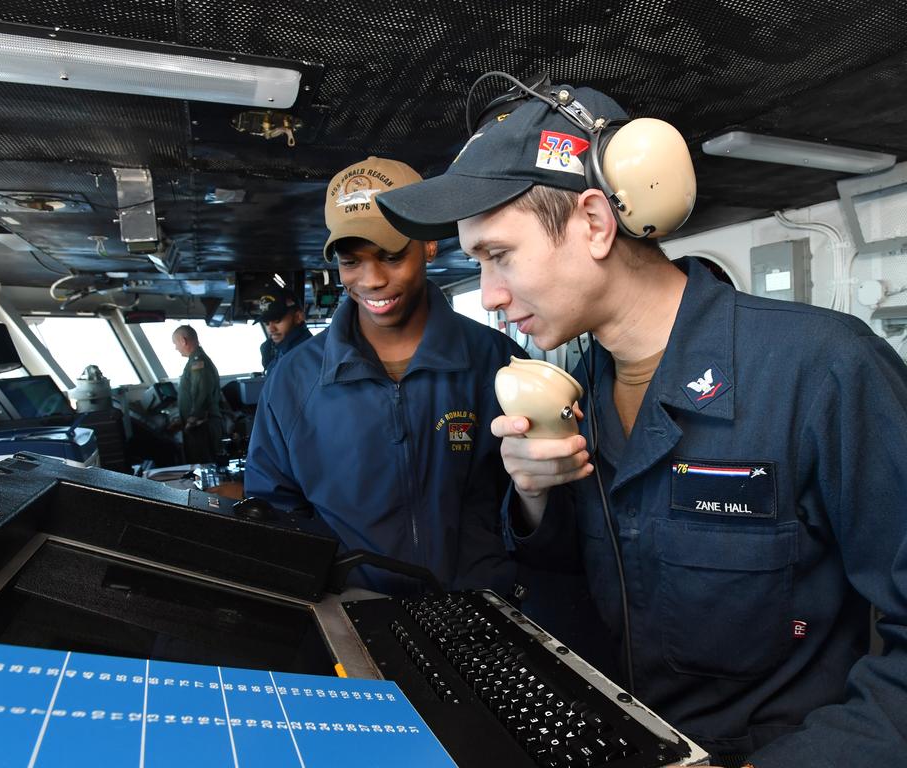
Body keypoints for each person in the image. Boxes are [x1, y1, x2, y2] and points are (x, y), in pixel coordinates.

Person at [374, 78, 907, 766]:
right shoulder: (582, 391)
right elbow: (595, 591)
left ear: (595, 223)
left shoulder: (823, 369)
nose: (490, 295)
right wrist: (535, 498)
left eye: (498, 256)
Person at [244, 156, 527, 596]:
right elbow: (276, 514)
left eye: (392, 255)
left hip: (483, 611)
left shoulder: (497, 363)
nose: (372, 280)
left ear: (428, 245)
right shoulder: (293, 381)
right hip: (353, 615)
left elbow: (533, 505)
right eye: (351, 261)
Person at [171, 324, 223, 464]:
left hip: (201, 425)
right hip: (199, 425)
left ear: (183, 340)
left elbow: (201, 392)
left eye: (175, 343)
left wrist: (193, 419)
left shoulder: (198, 362)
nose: (176, 348)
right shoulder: (196, 360)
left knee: (205, 466)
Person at [257, 288, 312, 376]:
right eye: (267, 323)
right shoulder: (278, 350)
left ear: (298, 317)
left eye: (277, 321)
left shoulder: (307, 354)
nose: (271, 329)